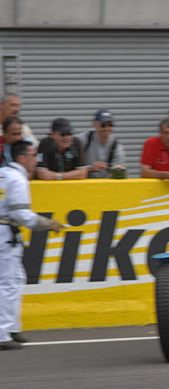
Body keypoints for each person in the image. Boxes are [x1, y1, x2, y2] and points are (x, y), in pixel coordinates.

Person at [0, 140, 64, 350]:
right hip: (5, 235)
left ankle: (12, 328)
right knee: (8, 283)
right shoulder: (18, 179)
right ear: (22, 158)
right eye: (33, 155)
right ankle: (3, 334)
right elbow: (21, 214)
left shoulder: (4, 174)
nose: (36, 159)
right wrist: (48, 223)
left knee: (17, 278)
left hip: (6, 233)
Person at [77, 109, 127, 179]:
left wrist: (115, 170)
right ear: (94, 124)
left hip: (107, 185)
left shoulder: (116, 146)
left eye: (110, 125)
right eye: (103, 125)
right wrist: (88, 169)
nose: (107, 129)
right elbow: (71, 164)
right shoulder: (84, 139)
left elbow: (120, 174)